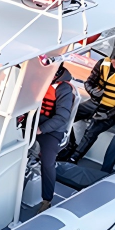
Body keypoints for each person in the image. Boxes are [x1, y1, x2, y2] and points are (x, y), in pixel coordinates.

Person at [59, 44, 115, 162]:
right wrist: (92, 91)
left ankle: (74, 157)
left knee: (91, 131)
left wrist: (107, 115)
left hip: (111, 110)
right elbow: (89, 82)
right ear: (111, 57)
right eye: (114, 59)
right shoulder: (102, 63)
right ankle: (70, 145)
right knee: (67, 118)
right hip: (94, 103)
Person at [34, 62, 76, 211]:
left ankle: (47, 199)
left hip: (52, 129)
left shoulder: (63, 89)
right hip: (32, 121)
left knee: (47, 161)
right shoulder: (37, 80)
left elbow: (62, 117)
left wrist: (42, 129)